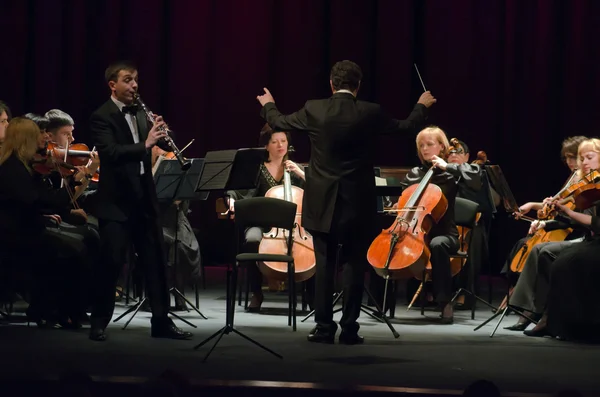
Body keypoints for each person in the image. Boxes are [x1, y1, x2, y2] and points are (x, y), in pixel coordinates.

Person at [257, 59, 436, 344]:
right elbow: (406, 127)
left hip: (322, 202)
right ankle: (350, 329)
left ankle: (324, 328)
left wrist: (269, 103)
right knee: (354, 264)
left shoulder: (315, 108)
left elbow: (278, 121)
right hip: (358, 202)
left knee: (324, 264)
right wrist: (422, 105)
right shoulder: (370, 112)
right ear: (358, 85)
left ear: (331, 84)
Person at [88, 60, 192, 341]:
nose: (134, 85)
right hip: (116, 203)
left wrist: (161, 134)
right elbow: (110, 153)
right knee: (111, 263)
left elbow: (156, 145)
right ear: (113, 84)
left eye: (135, 80)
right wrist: (145, 144)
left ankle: (161, 322)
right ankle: (98, 322)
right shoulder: (102, 116)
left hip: (145, 200)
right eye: (127, 80)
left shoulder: (142, 113)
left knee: (155, 263)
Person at [0, 117, 81, 327]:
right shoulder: (11, 168)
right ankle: (51, 308)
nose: (41, 140)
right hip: (14, 234)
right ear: (26, 139)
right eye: (37, 135)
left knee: (74, 244)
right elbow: (35, 201)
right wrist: (72, 185)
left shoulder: (22, 165)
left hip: (25, 228)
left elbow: (39, 198)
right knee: (69, 250)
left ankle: (60, 308)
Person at [519, 138, 600, 341]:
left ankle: (560, 319)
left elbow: (591, 222)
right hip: (591, 238)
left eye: (589, 157)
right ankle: (543, 314)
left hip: (589, 238)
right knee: (543, 252)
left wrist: (565, 211)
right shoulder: (589, 185)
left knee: (561, 258)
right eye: (582, 159)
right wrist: (557, 208)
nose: (584, 163)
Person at [399, 127, 482, 323]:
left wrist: (448, 166)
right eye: (421, 145)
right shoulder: (414, 174)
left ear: (442, 147)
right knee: (386, 243)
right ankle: (381, 303)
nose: (425, 149)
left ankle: (445, 302)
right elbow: (402, 202)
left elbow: (476, 179)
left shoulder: (451, 174)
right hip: (415, 232)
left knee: (437, 244)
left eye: (430, 144)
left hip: (446, 234)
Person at [226, 123, 310, 312]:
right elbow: (238, 190)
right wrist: (231, 199)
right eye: (275, 141)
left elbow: (315, 192)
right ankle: (257, 293)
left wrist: (301, 174)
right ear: (266, 145)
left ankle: (309, 295)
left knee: (314, 244)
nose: (280, 145)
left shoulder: (294, 170)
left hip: (293, 226)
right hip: (262, 224)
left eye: (283, 141)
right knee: (252, 240)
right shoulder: (257, 169)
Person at [151, 145, 202, 310]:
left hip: (174, 217)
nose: (161, 152)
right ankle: (157, 293)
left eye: (163, 148)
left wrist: (180, 194)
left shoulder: (172, 162)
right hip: (152, 218)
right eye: (157, 147)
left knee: (181, 244)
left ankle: (179, 292)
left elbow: (183, 200)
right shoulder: (142, 166)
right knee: (166, 242)